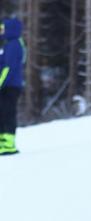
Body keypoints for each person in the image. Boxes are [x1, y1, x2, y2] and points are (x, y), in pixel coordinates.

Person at [0, 17, 25, 156]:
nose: (1, 31)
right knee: (1, 113)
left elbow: (9, 68)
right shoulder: (8, 45)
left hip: (11, 86)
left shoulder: (14, 44)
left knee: (8, 113)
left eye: (3, 29)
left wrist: (0, 82)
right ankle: (2, 143)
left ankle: (9, 144)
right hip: (5, 86)